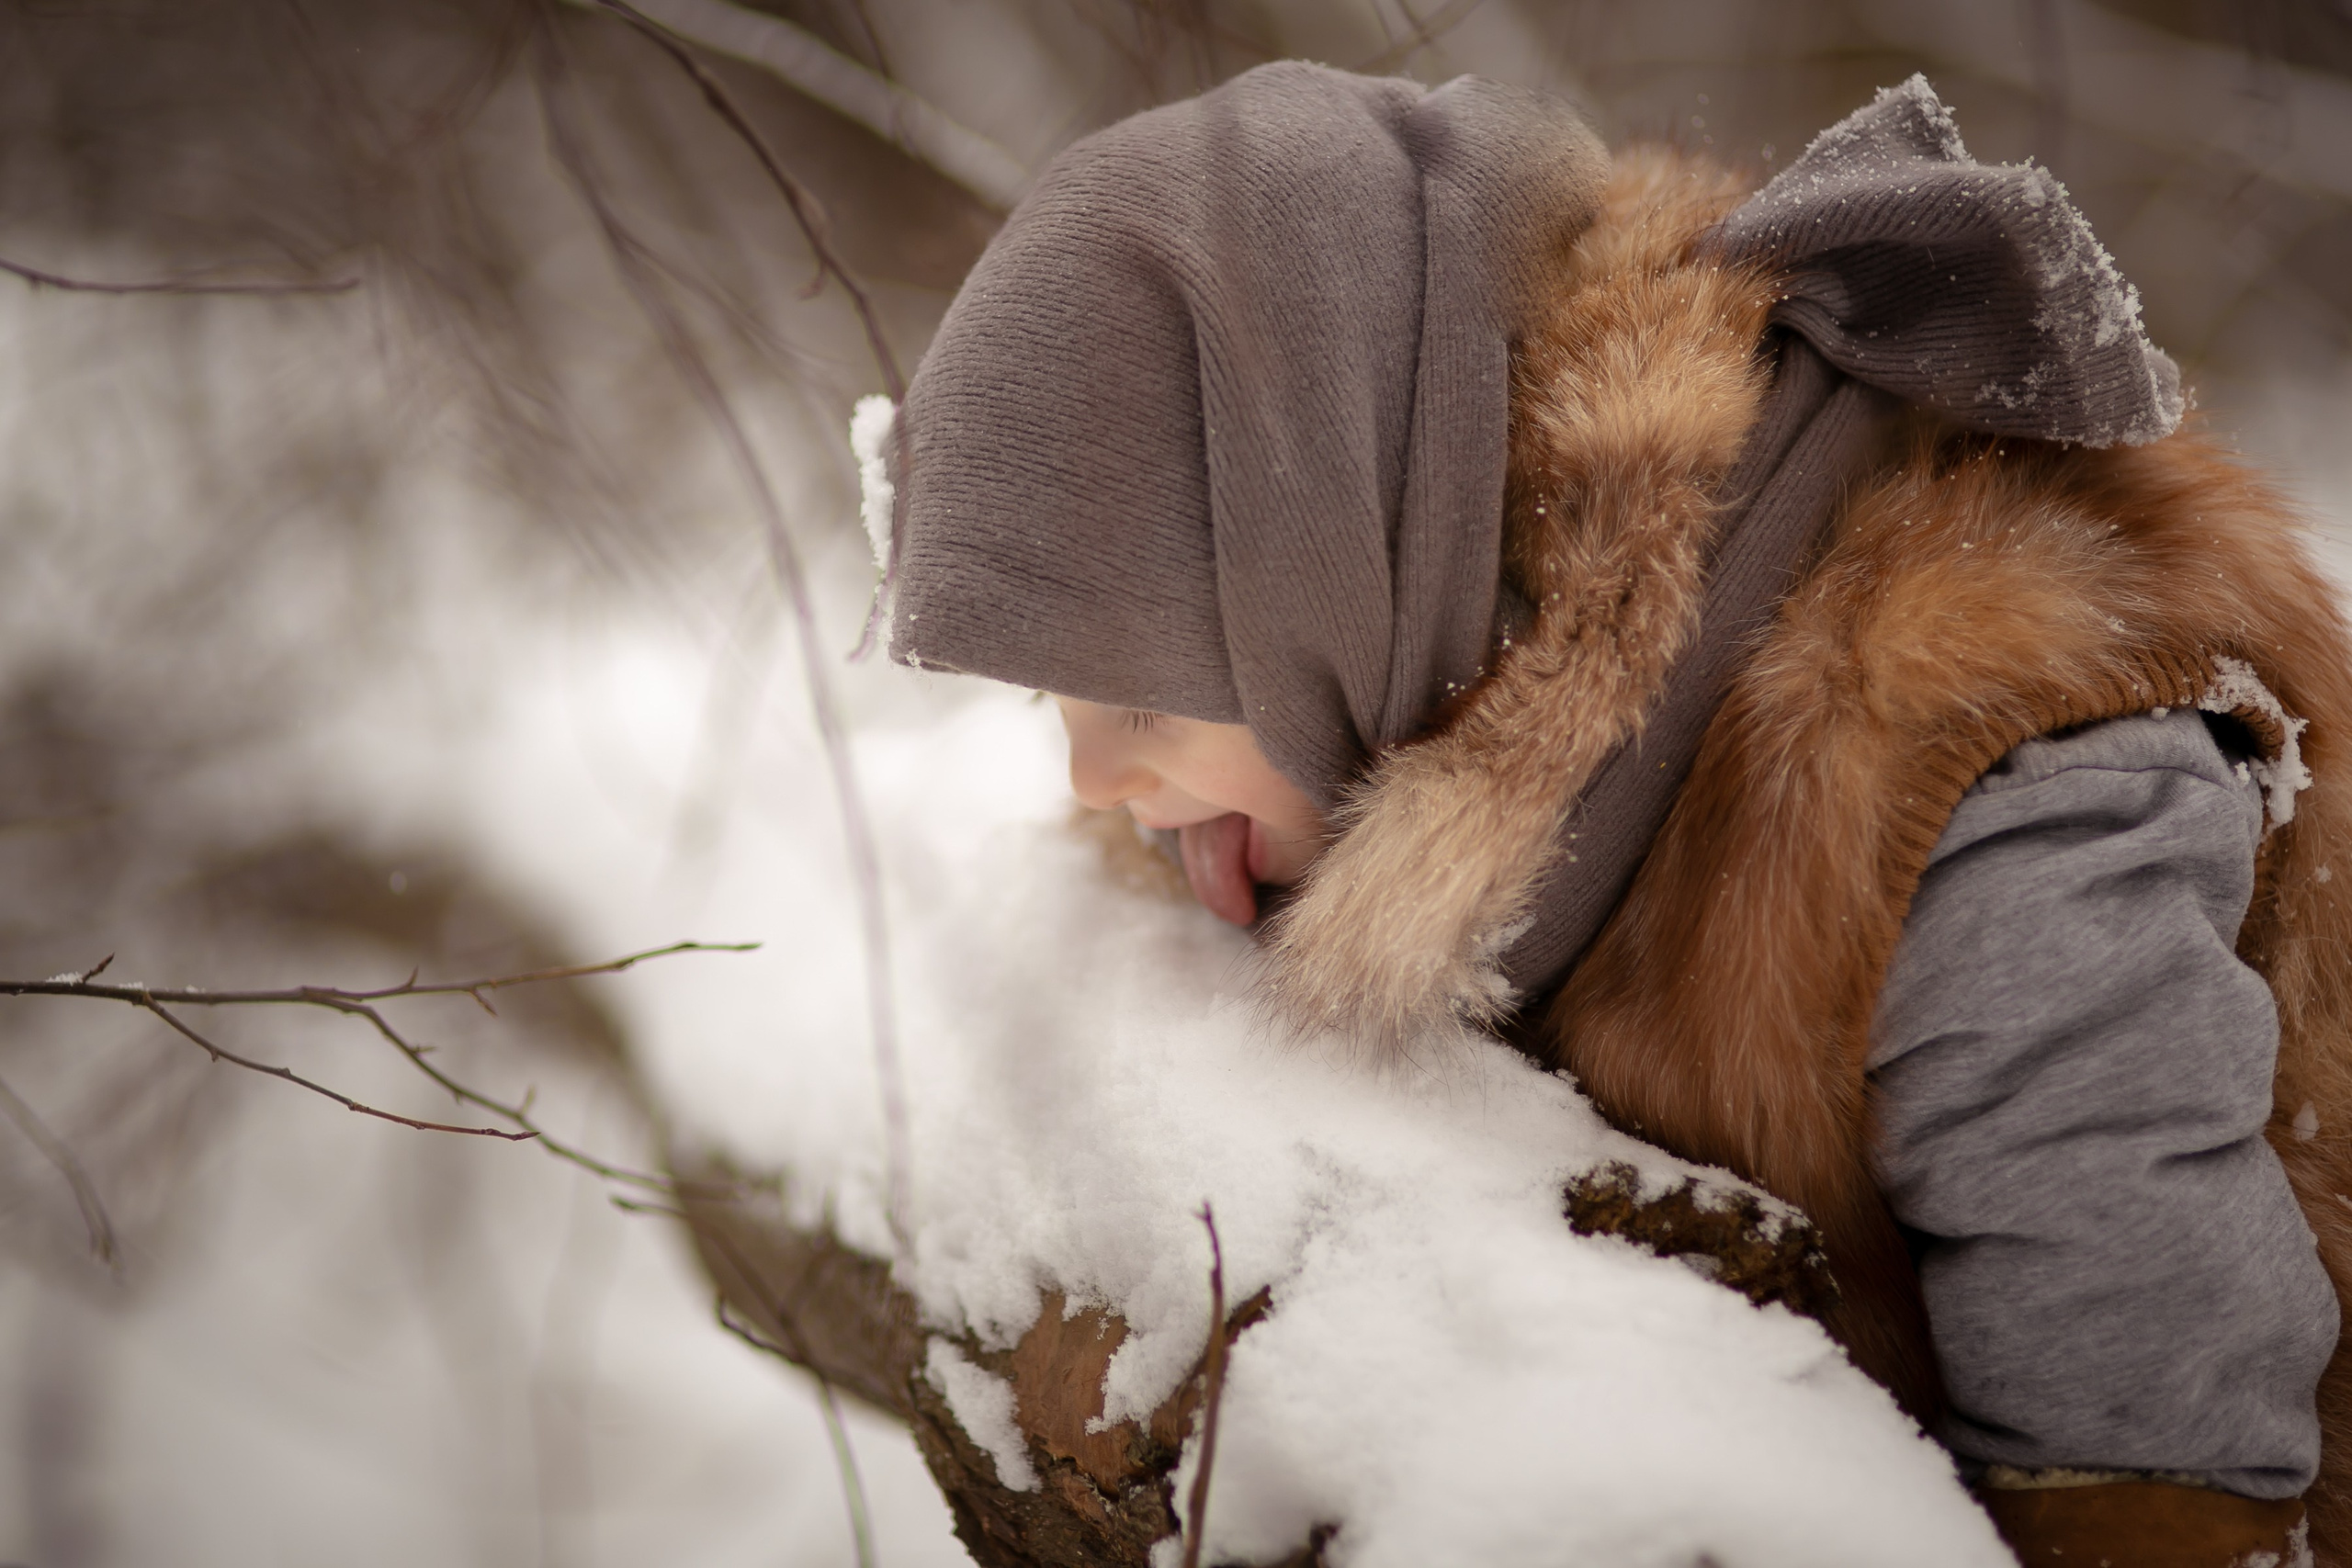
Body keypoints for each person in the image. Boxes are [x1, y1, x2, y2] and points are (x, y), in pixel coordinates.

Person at [861, 62, 2352, 1566]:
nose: (1090, 784)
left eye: (1143, 710)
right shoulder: (1455, 667)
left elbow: (2151, 1423)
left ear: (1330, 585)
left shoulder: (1954, 783)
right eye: (1053, 711)